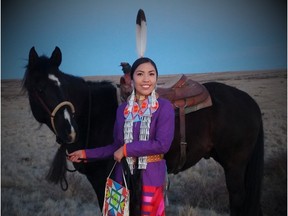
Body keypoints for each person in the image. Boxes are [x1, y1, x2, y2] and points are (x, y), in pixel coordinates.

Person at [68, 57, 175, 216]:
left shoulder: (164, 107)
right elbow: (115, 147)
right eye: (140, 74)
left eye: (151, 74)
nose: (146, 79)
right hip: (121, 177)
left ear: (156, 78)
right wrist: (86, 154)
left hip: (151, 178)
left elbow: (162, 145)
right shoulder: (123, 110)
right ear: (131, 79)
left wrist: (126, 149)